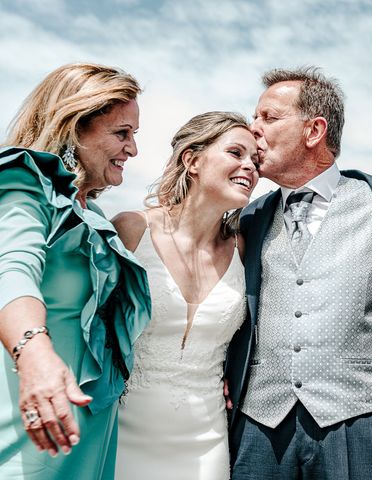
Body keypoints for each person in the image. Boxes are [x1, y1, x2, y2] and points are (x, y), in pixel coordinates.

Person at [225, 66, 372, 479]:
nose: (252, 130)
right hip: (260, 423)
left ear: (314, 131)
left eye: (268, 118)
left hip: (362, 420)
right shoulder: (246, 218)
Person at [0, 63, 151, 479]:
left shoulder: (95, 215)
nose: (133, 149)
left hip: (94, 425)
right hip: (36, 415)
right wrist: (34, 355)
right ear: (74, 128)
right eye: (122, 133)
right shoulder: (24, 183)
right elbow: (12, 271)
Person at [113, 111, 258, 480]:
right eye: (236, 153)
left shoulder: (244, 250)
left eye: (255, 160)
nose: (250, 167)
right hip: (123, 430)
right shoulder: (132, 229)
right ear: (192, 160)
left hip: (207, 440)